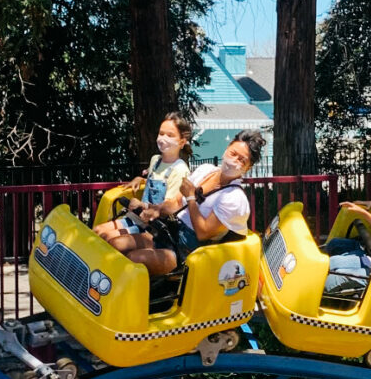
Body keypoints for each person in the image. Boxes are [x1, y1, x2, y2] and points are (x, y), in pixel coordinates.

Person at [126, 129, 266, 277]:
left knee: (133, 259)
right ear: (227, 147)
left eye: (241, 160)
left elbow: (203, 233)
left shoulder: (235, 198)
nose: (234, 161)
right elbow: (176, 203)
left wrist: (191, 198)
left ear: (248, 167)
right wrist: (151, 208)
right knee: (116, 244)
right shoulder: (206, 170)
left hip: (188, 253)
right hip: (170, 232)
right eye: (233, 153)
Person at [94, 113, 192, 251]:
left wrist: (143, 205)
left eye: (170, 135)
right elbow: (155, 179)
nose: (163, 138)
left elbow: (169, 208)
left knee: (111, 240)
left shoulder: (180, 170)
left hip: (153, 228)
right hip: (137, 218)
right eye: (161, 133)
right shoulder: (155, 160)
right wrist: (140, 179)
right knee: (98, 231)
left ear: (182, 142)